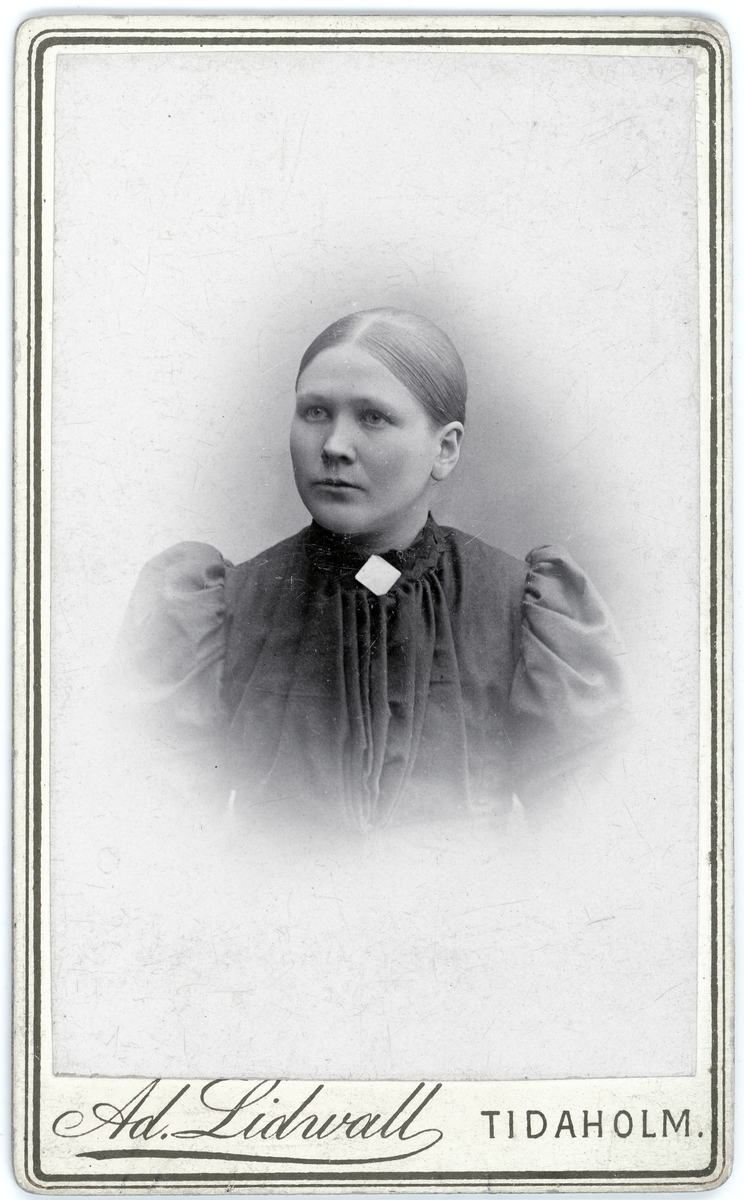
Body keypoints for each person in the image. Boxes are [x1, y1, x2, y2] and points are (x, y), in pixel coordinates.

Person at [112, 308, 627, 833]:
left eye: (373, 417)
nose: (334, 446)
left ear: (445, 448)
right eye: (315, 412)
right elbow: (158, 835)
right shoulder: (220, 610)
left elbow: (584, 841)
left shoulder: (521, 610)